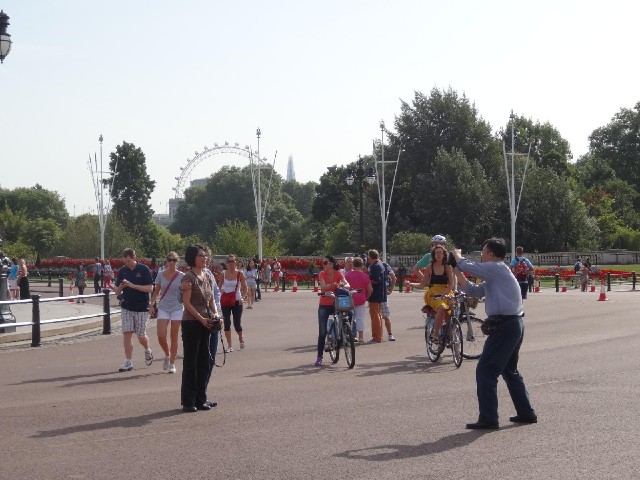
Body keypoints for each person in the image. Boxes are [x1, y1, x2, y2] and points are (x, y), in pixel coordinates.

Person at [452, 238, 537, 429]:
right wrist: (458, 273)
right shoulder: (497, 274)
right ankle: (526, 412)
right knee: (509, 370)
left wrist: (457, 255)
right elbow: (474, 290)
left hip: (505, 326)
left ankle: (489, 418)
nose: (481, 255)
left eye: (483, 251)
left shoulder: (496, 268)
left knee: (486, 370)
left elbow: (470, 266)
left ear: (491, 254)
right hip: (512, 324)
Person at [180, 244, 218, 412]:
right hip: (192, 322)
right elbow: (186, 303)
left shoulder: (207, 276)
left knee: (204, 360)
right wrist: (202, 319)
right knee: (191, 362)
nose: (205, 258)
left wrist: (215, 315)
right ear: (192, 258)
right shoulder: (189, 277)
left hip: (206, 322)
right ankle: (188, 401)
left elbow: (211, 299)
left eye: (205, 256)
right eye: (201, 256)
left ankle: (201, 398)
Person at [405, 245, 455, 344]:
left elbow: (451, 284)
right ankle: (435, 335)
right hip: (433, 293)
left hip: (446, 292)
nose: (439, 255)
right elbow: (422, 284)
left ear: (444, 254)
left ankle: (449, 336)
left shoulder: (448, 267)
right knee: (442, 308)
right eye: (437, 253)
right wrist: (410, 284)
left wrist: (444, 293)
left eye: (441, 252)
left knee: (452, 312)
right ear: (433, 255)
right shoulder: (429, 268)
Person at [114, 248, 154, 372]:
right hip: (127, 306)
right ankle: (129, 361)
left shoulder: (144, 269)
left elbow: (150, 288)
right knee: (127, 333)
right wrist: (121, 286)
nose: (127, 264)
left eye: (129, 261)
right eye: (125, 262)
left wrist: (133, 285)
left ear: (134, 258)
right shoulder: (123, 271)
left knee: (141, 335)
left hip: (141, 307)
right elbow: (116, 291)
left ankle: (147, 349)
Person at [150, 252, 184, 374]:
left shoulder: (181, 276)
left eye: (174, 260)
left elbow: (185, 292)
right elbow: (156, 291)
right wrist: (151, 304)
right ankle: (167, 354)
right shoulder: (160, 274)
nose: (171, 262)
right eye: (169, 260)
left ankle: (172, 363)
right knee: (161, 335)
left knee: (173, 336)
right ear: (166, 261)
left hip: (176, 307)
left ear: (177, 262)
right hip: (164, 306)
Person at [315, 255, 349, 366]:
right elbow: (323, 287)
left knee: (349, 313)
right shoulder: (322, 274)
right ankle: (319, 357)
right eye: (323, 263)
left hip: (336, 302)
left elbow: (346, 283)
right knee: (322, 332)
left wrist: (345, 285)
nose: (323, 265)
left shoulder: (338, 273)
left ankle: (344, 333)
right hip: (324, 304)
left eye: (325, 263)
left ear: (331, 264)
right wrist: (332, 285)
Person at [218, 254, 248, 352]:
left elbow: (245, 287)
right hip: (226, 300)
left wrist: (243, 297)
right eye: (229, 261)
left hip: (236, 300)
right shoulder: (223, 273)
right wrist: (220, 293)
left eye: (233, 261)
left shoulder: (240, 274)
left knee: (237, 324)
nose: (231, 263)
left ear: (236, 262)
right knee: (227, 323)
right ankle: (229, 345)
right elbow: (219, 286)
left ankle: (241, 338)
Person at [344, 257, 372, 344]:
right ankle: (361, 337)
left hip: (350, 297)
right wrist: (366, 297)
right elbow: (370, 289)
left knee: (349, 318)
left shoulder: (348, 275)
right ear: (362, 265)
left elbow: (344, 286)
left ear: (353, 265)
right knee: (360, 318)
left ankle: (349, 336)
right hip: (361, 298)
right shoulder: (365, 276)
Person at [367, 249, 387, 344]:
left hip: (375, 293)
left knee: (375, 316)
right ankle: (379, 335)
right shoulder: (381, 264)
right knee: (377, 315)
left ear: (370, 257)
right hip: (380, 293)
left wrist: (367, 282)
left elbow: (375, 280)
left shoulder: (375, 267)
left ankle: (377, 336)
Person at [382, 261, 397, 341]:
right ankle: (387, 334)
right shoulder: (385, 265)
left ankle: (389, 334)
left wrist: (391, 289)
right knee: (383, 316)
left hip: (382, 293)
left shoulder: (384, 265)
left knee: (385, 315)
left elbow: (393, 277)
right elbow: (393, 277)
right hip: (381, 293)